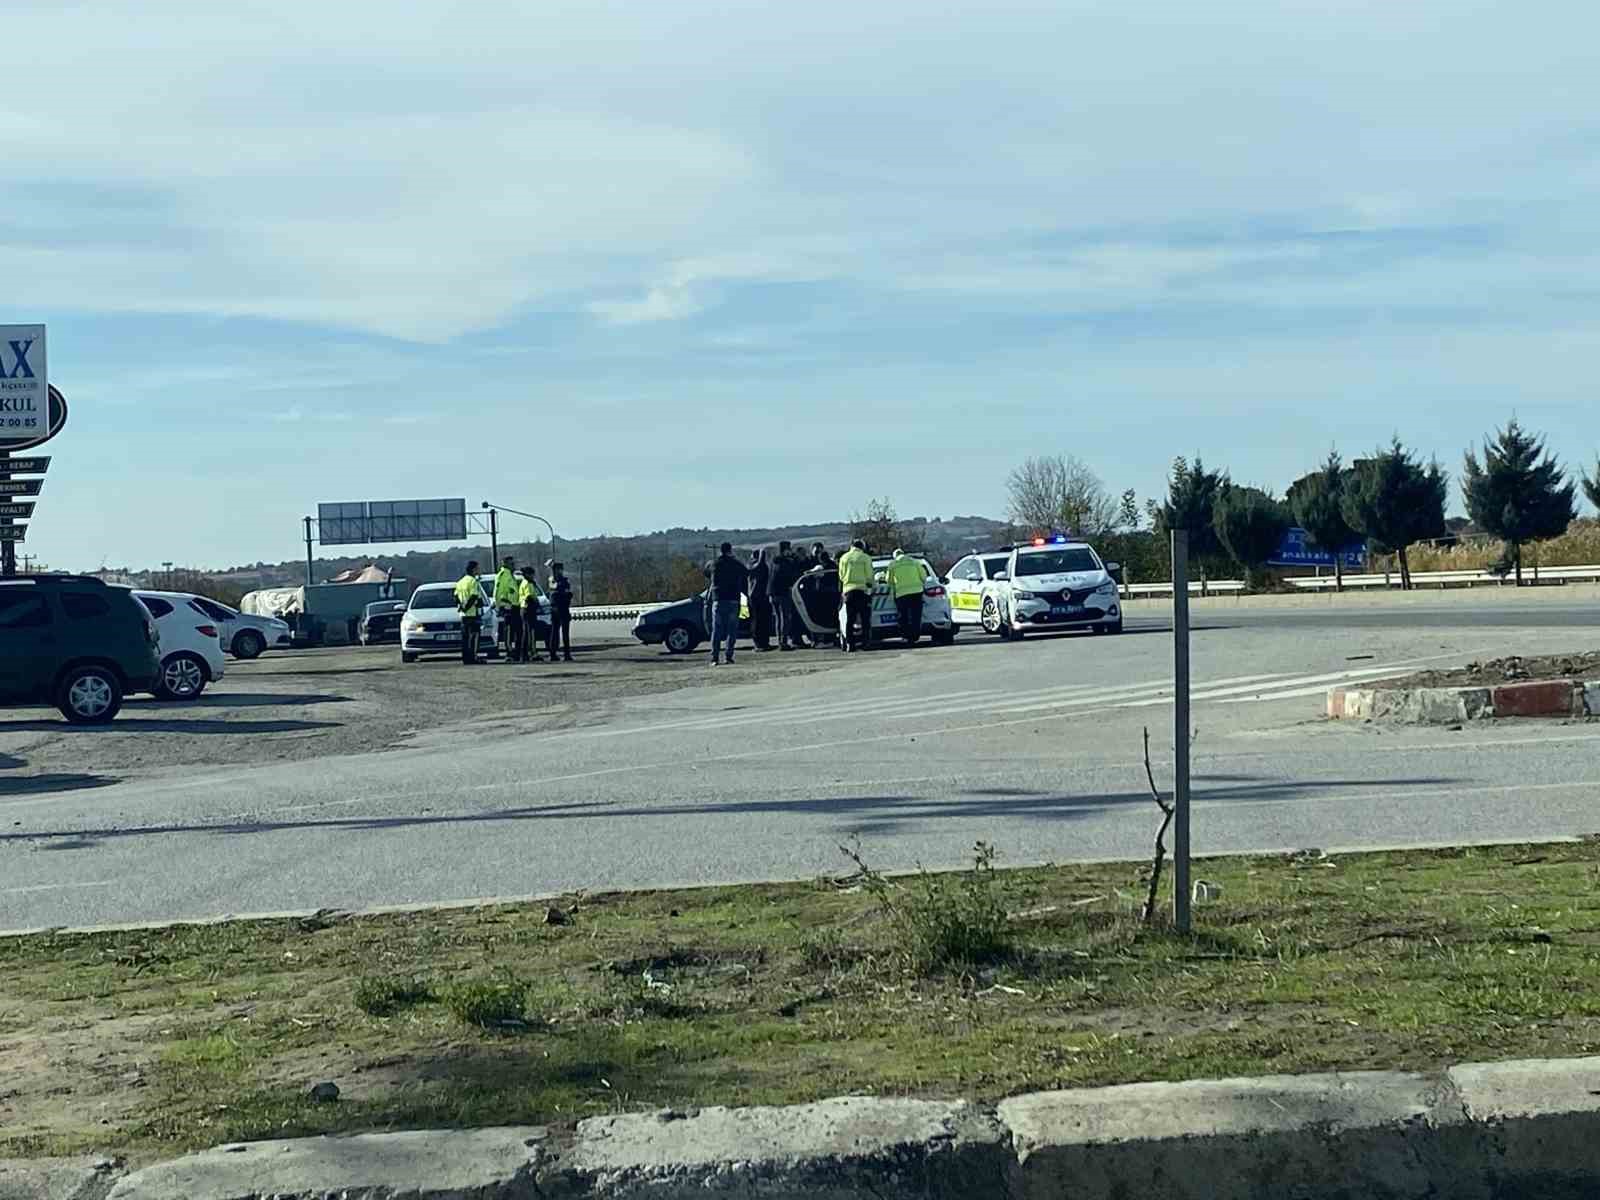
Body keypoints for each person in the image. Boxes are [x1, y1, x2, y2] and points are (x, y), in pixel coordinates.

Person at [709, 541, 747, 666]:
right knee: (732, 630)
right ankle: (728, 656)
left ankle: (714, 658)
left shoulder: (715, 563)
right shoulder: (735, 564)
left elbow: (706, 572)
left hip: (718, 599)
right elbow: (746, 572)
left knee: (717, 630)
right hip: (733, 599)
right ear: (730, 551)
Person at [838, 538, 875, 652]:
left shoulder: (844, 558)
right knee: (865, 620)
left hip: (849, 592)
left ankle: (850, 644)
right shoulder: (865, 558)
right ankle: (866, 643)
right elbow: (869, 575)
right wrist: (870, 585)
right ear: (862, 547)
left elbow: (841, 575)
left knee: (850, 620)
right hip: (862, 591)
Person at [770, 540, 807, 650]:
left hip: (772, 593)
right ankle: (783, 642)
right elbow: (791, 576)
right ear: (786, 550)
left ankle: (780, 641)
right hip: (783, 592)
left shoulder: (774, 561)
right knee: (785, 618)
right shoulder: (786, 562)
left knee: (778, 618)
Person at [887, 548, 926, 647]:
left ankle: (906, 637)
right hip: (917, 592)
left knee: (903, 616)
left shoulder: (893, 564)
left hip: (902, 594)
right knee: (916, 616)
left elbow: (889, 580)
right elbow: (923, 576)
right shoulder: (914, 562)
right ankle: (915, 636)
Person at [454, 560, 485, 664]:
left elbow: (455, 596)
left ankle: (466, 658)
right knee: (474, 636)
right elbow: (474, 596)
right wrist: (467, 607)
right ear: (473, 569)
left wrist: (461, 607)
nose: (479, 570)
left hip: (463, 615)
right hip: (472, 613)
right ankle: (473, 657)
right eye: (477, 568)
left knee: (465, 637)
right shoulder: (473, 581)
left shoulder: (460, 582)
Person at [493, 556, 520, 660]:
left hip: (515, 606)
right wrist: (502, 604)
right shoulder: (503, 575)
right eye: (511, 564)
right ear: (505, 564)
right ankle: (509, 652)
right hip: (508, 607)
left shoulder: (510, 575)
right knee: (508, 630)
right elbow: (498, 592)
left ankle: (517, 652)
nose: (513, 566)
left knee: (516, 630)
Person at [546, 560, 574, 662]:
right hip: (562, 608)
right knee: (564, 632)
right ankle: (566, 654)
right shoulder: (563, 581)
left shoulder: (551, 580)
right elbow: (566, 593)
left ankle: (553, 653)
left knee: (554, 632)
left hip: (554, 608)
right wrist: (568, 595)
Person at [747, 548, 773, 651]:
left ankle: (762, 642)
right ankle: (760, 643)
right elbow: (760, 566)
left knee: (761, 620)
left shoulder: (751, 566)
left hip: (757, 596)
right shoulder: (756, 567)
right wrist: (762, 552)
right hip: (758, 597)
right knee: (759, 620)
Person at [517, 566, 541, 663]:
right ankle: (530, 653)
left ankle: (525, 654)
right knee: (530, 633)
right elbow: (529, 597)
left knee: (526, 632)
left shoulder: (524, 583)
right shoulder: (528, 583)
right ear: (527, 574)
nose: (533, 576)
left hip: (524, 609)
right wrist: (536, 603)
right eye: (532, 574)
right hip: (528, 609)